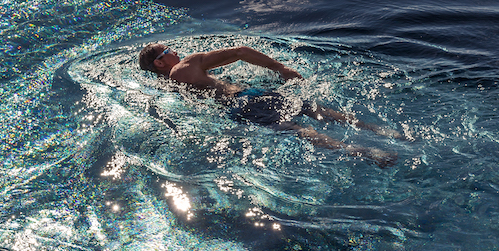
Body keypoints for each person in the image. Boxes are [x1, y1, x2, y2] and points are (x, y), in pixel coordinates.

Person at [138, 40, 395, 162]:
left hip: (235, 113)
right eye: (168, 51)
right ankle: (382, 132)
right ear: (159, 62)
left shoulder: (166, 86)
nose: (175, 51)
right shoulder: (184, 67)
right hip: (246, 97)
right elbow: (240, 52)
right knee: (316, 110)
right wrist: (280, 68)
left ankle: (366, 154)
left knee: (299, 131)